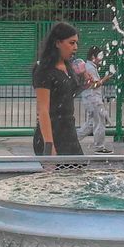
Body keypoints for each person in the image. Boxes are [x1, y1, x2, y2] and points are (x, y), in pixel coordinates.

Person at [31, 22, 83, 156]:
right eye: (71, 43)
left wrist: (86, 84)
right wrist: (49, 146)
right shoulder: (44, 70)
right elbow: (43, 110)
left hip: (69, 133)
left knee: (77, 174)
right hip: (52, 135)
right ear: (57, 43)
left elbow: (67, 95)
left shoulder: (68, 67)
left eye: (76, 43)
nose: (75, 47)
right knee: (58, 176)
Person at [75, 46, 114, 154]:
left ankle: (72, 140)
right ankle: (99, 147)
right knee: (99, 122)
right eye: (100, 56)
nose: (101, 59)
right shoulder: (90, 68)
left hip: (90, 99)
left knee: (91, 124)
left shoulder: (88, 67)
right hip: (93, 100)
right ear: (93, 57)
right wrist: (106, 78)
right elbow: (94, 85)